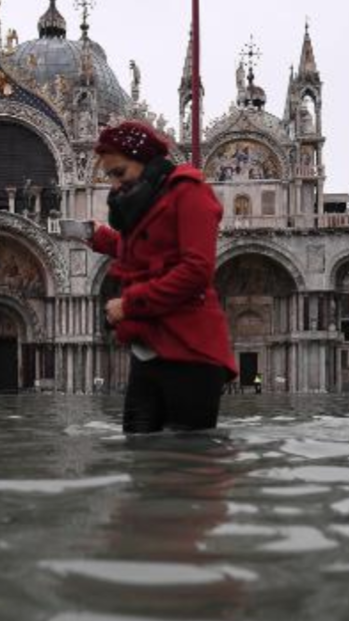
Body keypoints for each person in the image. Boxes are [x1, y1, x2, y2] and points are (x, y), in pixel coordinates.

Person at [80, 121, 237, 433]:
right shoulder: (146, 201)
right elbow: (150, 251)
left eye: (119, 173)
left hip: (190, 350)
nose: (114, 185)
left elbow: (195, 270)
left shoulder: (190, 193)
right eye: (109, 176)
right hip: (149, 347)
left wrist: (129, 306)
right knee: (139, 453)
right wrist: (100, 237)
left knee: (187, 462)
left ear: (145, 161)